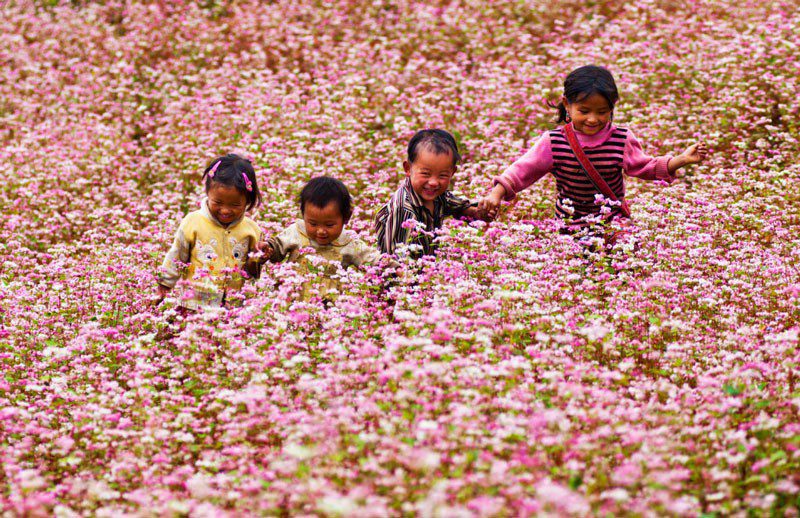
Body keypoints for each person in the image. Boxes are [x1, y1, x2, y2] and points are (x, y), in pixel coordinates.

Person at [480, 65, 708, 238]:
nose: (593, 119)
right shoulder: (554, 141)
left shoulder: (622, 138)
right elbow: (522, 170)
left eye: (602, 111)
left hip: (613, 224)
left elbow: (644, 166)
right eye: (584, 110)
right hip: (569, 225)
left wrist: (682, 160)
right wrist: (496, 194)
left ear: (613, 106)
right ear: (567, 105)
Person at [157, 154, 269, 309]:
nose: (225, 210)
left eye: (235, 205)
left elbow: (252, 271)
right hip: (194, 304)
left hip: (234, 306)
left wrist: (259, 259)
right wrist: (165, 283)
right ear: (208, 193)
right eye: (218, 202)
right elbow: (177, 255)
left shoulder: (252, 230)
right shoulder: (193, 222)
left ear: (247, 201)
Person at [375, 129, 492, 258]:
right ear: (408, 169)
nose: (433, 182)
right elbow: (396, 258)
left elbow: (456, 205)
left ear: (452, 172)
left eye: (442, 175)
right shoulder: (404, 209)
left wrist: (477, 212)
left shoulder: (439, 196)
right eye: (425, 173)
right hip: (404, 273)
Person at [260, 176, 382, 301]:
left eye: (329, 225)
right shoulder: (297, 231)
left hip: (328, 305)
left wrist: (394, 269)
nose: (321, 231)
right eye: (313, 224)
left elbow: (374, 261)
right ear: (303, 215)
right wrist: (267, 250)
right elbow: (277, 247)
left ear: (346, 217)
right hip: (291, 299)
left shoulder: (349, 242)